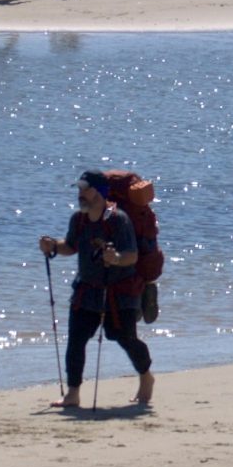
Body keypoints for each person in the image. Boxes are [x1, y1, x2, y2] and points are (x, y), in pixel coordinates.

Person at [41, 172, 154, 406]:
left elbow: (131, 256)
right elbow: (70, 246)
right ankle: (73, 394)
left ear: (100, 193)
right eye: (79, 190)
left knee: (123, 337)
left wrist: (116, 259)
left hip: (119, 294)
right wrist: (53, 246)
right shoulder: (78, 219)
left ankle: (146, 377)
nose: (80, 194)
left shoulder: (118, 220)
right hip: (86, 291)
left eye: (85, 189)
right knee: (76, 340)